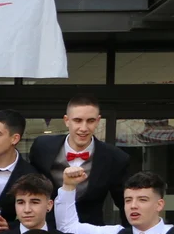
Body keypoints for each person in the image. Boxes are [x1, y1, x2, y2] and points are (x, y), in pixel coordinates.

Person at [29, 95, 130, 226]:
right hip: (47, 229)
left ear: (98, 121)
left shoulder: (115, 157)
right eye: (77, 120)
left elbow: (125, 203)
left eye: (90, 121)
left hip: (90, 231)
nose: (84, 128)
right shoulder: (42, 147)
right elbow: (28, 188)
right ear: (66, 121)